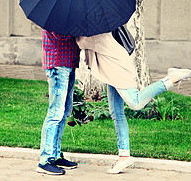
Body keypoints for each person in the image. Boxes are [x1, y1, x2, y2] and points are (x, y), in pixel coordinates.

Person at [76, 31, 191, 174]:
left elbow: (82, 41)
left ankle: (172, 78)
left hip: (115, 65)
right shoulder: (96, 21)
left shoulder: (95, 25)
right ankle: (124, 156)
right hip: (109, 65)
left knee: (135, 102)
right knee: (116, 113)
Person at [36, 30, 80, 175]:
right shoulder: (55, 13)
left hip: (69, 63)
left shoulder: (69, 12)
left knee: (64, 112)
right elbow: (61, 34)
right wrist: (80, 32)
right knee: (55, 113)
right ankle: (45, 160)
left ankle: (55, 155)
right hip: (57, 64)